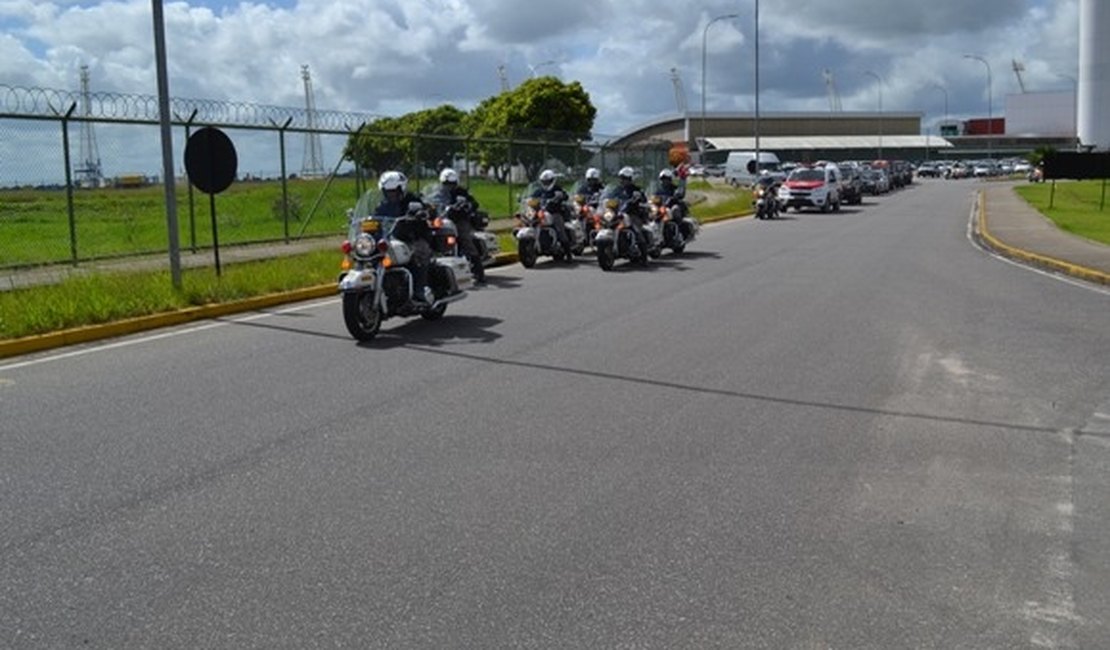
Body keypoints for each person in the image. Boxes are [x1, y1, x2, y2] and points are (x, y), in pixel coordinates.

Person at [375, 170, 435, 305]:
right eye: (387, 191)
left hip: (413, 237)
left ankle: (420, 288)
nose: (391, 194)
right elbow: (375, 218)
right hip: (390, 240)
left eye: (394, 191)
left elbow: (427, 210)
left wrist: (421, 212)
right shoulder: (382, 206)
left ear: (401, 189)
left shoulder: (412, 200)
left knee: (419, 253)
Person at [436, 168, 485, 283]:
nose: (449, 186)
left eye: (451, 184)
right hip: (443, 220)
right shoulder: (438, 192)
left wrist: (466, 205)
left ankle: (479, 272)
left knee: (465, 239)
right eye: (446, 184)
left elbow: (474, 203)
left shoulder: (461, 192)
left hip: (459, 220)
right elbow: (431, 200)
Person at [530, 169, 574, 255]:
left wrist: (561, 196)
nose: (546, 183)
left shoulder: (557, 188)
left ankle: (568, 253)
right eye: (544, 181)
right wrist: (527, 200)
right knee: (530, 222)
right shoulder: (539, 191)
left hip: (555, 213)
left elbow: (565, 195)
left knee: (560, 230)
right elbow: (532, 198)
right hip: (541, 213)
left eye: (548, 181)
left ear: (553, 180)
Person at [614, 166, 651, 254]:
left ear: (631, 179)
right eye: (621, 178)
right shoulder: (617, 190)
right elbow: (609, 197)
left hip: (633, 214)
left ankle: (644, 256)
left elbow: (643, 199)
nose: (622, 181)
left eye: (625, 179)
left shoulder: (636, 190)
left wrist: (637, 199)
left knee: (637, 231)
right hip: (619, 214)